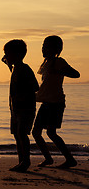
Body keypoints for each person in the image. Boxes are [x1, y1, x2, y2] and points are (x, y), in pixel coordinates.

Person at [32, 35, 80, 168]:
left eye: (46, 46)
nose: (43, 48)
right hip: (46, 102)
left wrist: (62, 70)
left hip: (55, 103)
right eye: (42, 45)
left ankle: (70, 160)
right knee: (36, 132)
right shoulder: (45, 63)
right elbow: (45, 85)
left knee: (51, 133)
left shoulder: (58, 62)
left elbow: (76, 74)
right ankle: (48, 159)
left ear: (55, 49)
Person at [2, 39, 39, 172]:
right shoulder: (14, 68)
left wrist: (22, 95)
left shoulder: (25, 69)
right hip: (15, 109)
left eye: (8, 53)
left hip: (25, 108)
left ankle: (26, 161)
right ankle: (21, 161)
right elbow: (5, 61)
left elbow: (35, 86)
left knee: (22, 133)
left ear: (18, 55)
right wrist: (7, 61)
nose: (5, 56)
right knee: (17, 134)